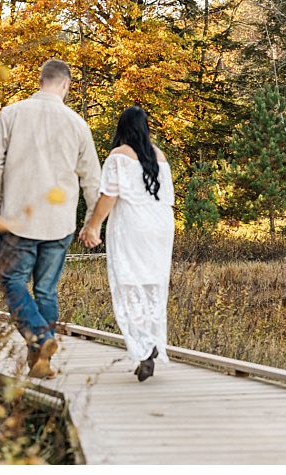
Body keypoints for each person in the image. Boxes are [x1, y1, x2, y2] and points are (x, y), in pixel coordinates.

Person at [0, 59, 101, 379]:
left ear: (40, 80)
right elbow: (92, 179)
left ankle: (42, 338)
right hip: (59, 223)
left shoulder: (10, 114)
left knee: (13, 281)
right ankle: (41, 363)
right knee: (46, 290)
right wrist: (93, 223)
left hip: (18, 218)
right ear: (66, 85)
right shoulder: (77, 123)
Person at [78, 106, 175, 382]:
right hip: (161, 225)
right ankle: (152, 338)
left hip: (134, 224)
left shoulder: (118, 156)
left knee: (128, 281)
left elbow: (109, 195)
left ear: (122, 128)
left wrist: (93, 225)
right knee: (153, 284)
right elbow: (167, 196)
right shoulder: (160, 156)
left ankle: (144, 348)